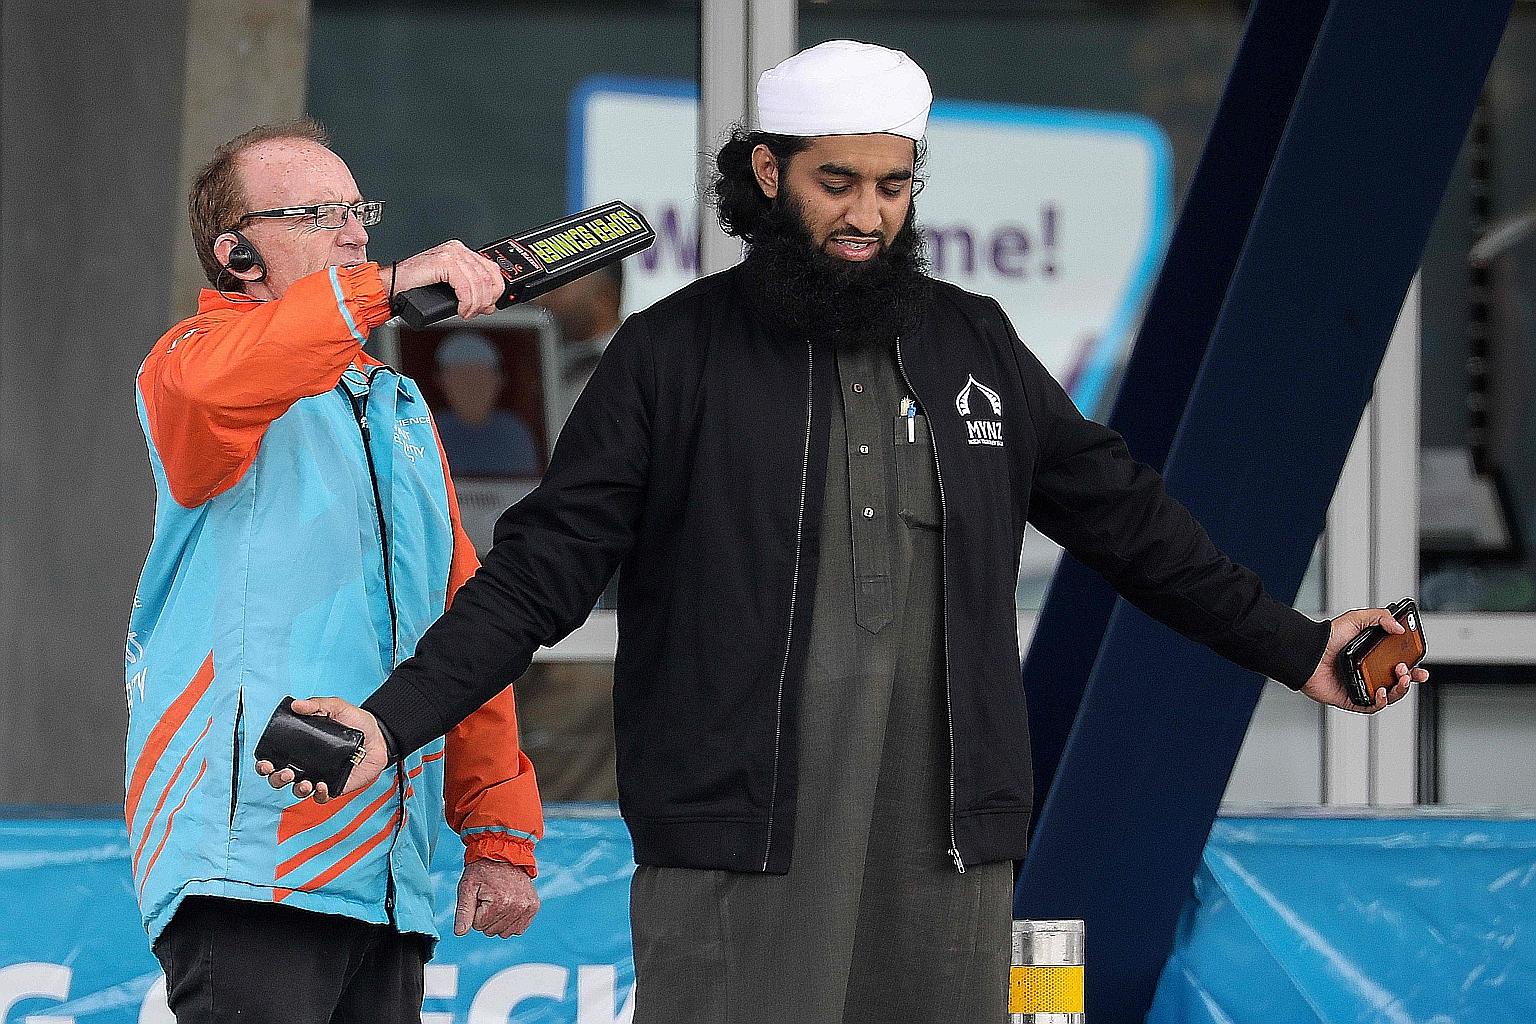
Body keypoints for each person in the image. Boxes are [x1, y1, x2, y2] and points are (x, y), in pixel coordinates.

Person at [261, 42, 1426, 1024]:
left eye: (893, 183)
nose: (869, 215)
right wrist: (390, 722)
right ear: (767, 174)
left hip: (945, 871)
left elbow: (1132, 525)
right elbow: (536, 581)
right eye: (837, 183)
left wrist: (1297, 644)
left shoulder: (975, 345)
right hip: (738, 856)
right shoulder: (671, 358)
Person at [126, 118, 544, 1024]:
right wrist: (384, 290)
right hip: (249, 862)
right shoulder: (190, 365)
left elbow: (463, 623)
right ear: (238, 254)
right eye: (321, 214)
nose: (357, 234)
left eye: (360, 211)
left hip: (388, 875)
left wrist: (498, 824)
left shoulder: (395, 407)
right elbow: (233, 378)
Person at [432, 329, 541, 475]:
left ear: (498, 381)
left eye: (481, 378)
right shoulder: (431, 431)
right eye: (461, 379)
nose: (471, 388)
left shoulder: (513, 433)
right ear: (442, 382)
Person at [534, 261, 625, 432]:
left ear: (604, 299)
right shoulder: (534, 357)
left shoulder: (637, 366)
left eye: (557, 290)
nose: (541, 301)